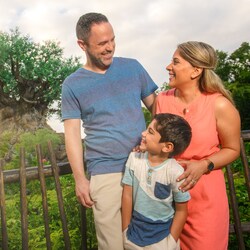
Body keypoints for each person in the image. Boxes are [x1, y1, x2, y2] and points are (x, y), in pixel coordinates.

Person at [61, 12, 158, 250]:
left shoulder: (132, 67)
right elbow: (72, 134)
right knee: (113, 244)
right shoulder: (72, 84)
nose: (110, 48)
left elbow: (158, 109)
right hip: (105, 173)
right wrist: (80, 179)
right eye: (102, 43)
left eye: (112, 40)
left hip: (145, 165)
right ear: (82, 45)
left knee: (151, 242)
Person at [153, 41, 241, 249]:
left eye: (175, 62)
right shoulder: (162, 101)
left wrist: (204, 164)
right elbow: (157, 144)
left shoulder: (219, 104)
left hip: (205, 200)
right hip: (165, 199)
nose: (168, 67)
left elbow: (232, 149)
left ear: (196, 70)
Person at [122, 113, 192, 250]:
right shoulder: (134, 159)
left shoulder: (175, 172)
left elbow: (181, 210)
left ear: (167, 147)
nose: (143, 133)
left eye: (150, 132)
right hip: (133, 238)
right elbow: (127, 195)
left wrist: (171, 242)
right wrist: (125, 232)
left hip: (163, 241)